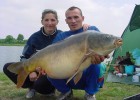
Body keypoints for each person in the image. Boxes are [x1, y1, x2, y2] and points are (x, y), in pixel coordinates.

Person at [47, 6, 107, 100]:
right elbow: (52, 55)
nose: (73, 21)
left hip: (87, 72)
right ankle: (66, 91)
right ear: (66, 20)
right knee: (49, 72)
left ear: (82, 18)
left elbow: (104, 49)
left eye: (76, 17)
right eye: (69, 18)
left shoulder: (92, 30)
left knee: (97, 65)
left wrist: (102, 56)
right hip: (67, 72)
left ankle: (90, 93)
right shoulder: (61, 36)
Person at [3, 9, 62, 99]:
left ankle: (49, 89)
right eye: (46, 20)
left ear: (57, 21)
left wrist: (86, 27)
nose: (50, 23)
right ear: (42, 21)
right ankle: (31, 88)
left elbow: (77, 37)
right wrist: (31, 71)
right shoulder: (34, 37)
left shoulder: (62, 35)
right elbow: (24, 57)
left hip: (51, 72)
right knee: (7, 67)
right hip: (33, 69)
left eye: (53, 20)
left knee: (42, 86)